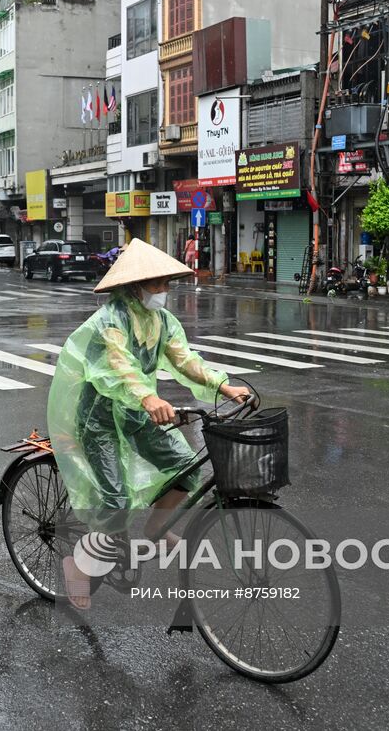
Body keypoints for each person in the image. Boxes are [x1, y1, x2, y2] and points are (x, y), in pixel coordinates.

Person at [46, 238, 252, 610]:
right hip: (101, 421)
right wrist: (149, 397)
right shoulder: (109, 321)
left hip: (138, 414)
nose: (164, 291)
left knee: (186, 467)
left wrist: (223, 384)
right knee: (118, 500)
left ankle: (155, 529)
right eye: (157, 284)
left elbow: (185, 359)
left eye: (166, 283)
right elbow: (118, 367)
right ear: (134, 285)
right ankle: (76, 565)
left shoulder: (160, 320)